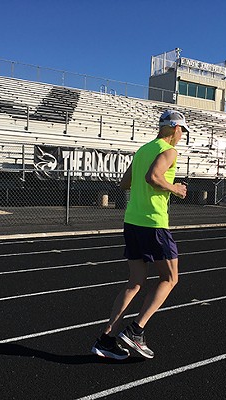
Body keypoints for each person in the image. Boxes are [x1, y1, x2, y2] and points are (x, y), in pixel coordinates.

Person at [91, 110, 189, 360]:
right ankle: (136, 331)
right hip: (153, 223)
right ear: (175, 129)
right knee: (170, 278)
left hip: (132, 221)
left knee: (135, 282)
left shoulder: (143, 150)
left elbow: (125, 183)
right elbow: (153, 177)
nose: (182, 137)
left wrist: (145, 188)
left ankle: (106, 339)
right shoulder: (169, 151)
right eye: (182, 132)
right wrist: (175, 189)